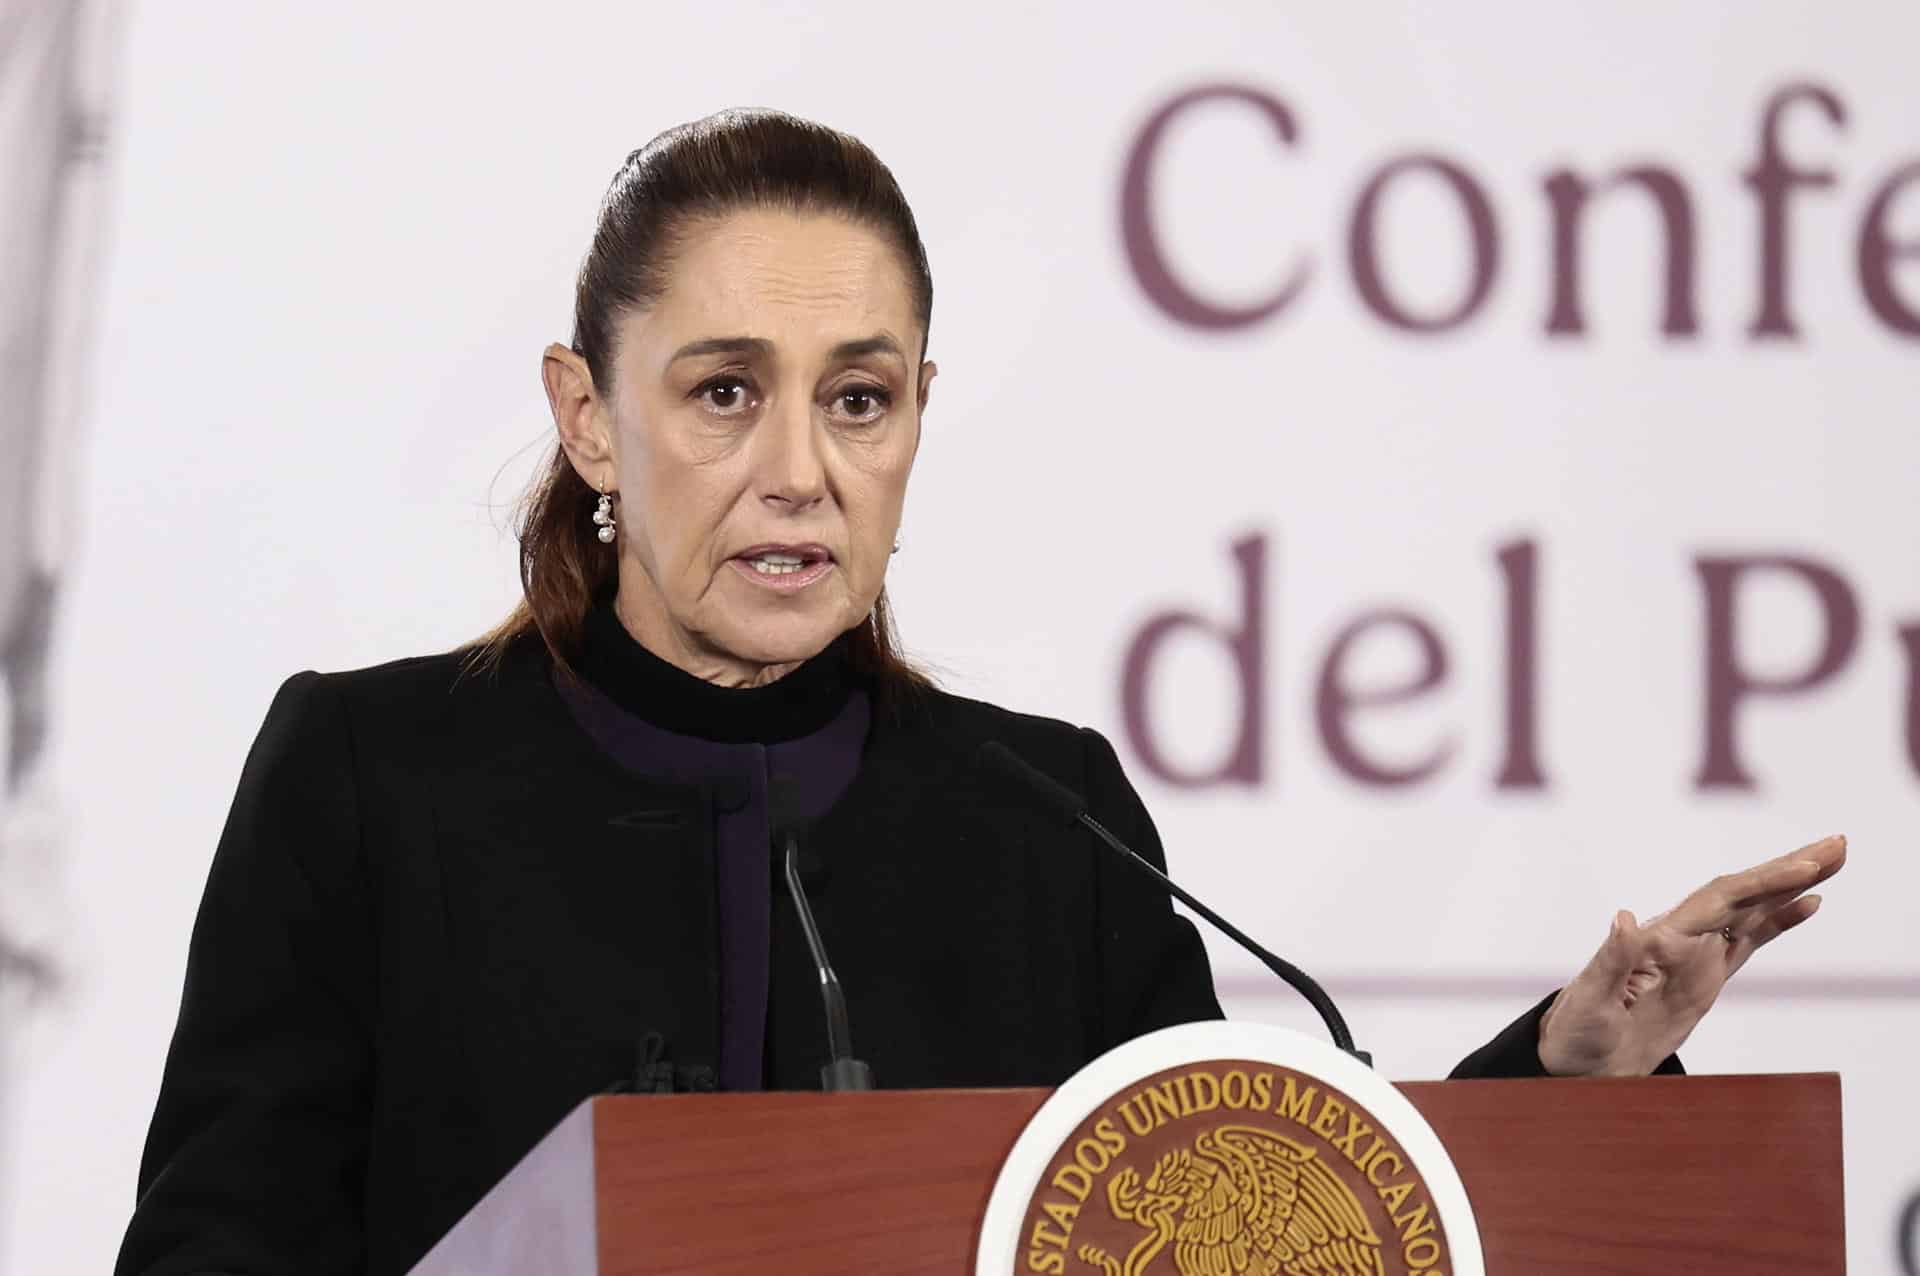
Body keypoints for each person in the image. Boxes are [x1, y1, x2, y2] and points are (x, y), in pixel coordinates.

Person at [114, 110, 1847, 1276]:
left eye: (859, 400)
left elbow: (1236, 1225)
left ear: (919, 415)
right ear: (589, 418)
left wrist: (1570, 1066)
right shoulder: (372, 775)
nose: (799, 469)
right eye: (724, 393)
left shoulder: (1048, 816)